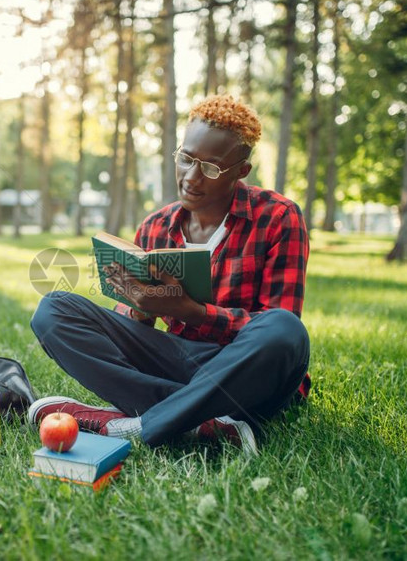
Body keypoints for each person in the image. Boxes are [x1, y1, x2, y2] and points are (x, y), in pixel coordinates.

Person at [28, 95, 310, 454]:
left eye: (210, 168)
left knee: (285, 328)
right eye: (187, 159)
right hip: (178, 362)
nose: (191, 177)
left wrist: (191, 312)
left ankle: (138, 424)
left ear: (241, 171)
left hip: (246, 372)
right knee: (54, 310)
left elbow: (276, 328)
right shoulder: (156, 227)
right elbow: (132, 327)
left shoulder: (279, 218)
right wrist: (141, 309)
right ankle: (206, 422)